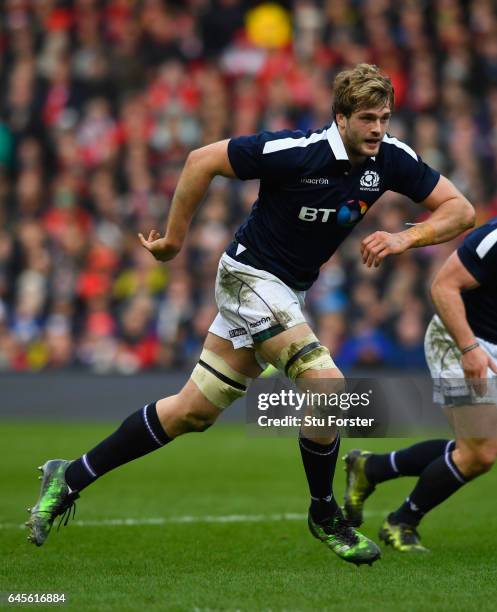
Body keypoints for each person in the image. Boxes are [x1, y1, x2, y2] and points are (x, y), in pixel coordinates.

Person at [26, 64, 474, 566]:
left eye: (385, 118)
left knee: (192, 411)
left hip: (286, 293)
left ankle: (71, 475)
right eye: (367, 118)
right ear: (341, 118)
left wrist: (404, 237)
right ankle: (325, 513)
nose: (377, 128)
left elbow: (461, 209)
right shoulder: (295, 152)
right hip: (247, 277)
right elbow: (201, 160)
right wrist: (174, 240)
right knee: (326, 385)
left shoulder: (390, 159)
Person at [343, 216, 497, 552]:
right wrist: (469, 348)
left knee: (471, 449)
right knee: (480, 453)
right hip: (461, 340)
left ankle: (371, 468)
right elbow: (443, 286)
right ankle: (402, 521)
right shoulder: (494, 239)